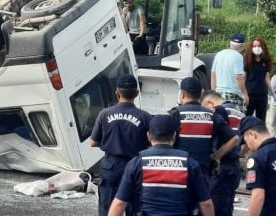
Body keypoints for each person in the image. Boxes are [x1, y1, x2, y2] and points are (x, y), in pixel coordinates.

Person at [107, 115, 214, 216]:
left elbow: (120, 203)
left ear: (148, 136)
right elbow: (206, 204)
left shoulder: (137, 163)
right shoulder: (190, 164)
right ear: (175, 136)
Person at [89, 74, 152, 216]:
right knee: (135, 208)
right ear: (136, 93)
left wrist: (108, 143)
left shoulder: (104, 114)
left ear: (117, 92)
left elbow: (93, 142)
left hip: (110, 167)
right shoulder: (145, 117)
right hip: (135, 165)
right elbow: (151, 143)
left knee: (107, 208)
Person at [170, 78, 237, 180]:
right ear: (200, 95)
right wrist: (216, 156)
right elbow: (234, 138)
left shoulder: (176, 114)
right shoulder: (212, 115)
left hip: (179, 170)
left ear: (182, 95)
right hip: (202, 172)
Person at [200, 90, 243, 216]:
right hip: (235, 168)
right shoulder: (240, 113)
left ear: (209, 103)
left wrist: (216, 156)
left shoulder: (217, 111)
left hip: (221, 167)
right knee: (227, 208)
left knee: (214, 207)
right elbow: (244, 145)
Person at [240, 116, 276, 216]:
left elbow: (258, 196)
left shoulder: (258, 158)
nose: (247, 146)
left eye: (245, 141)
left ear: (252, 134)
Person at [211, 33, 248, 113]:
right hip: (233, 95)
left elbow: (213, 74)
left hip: (219, 94)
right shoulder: (238, 56)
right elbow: (238, 77)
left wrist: (213, 92)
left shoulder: (219, 54)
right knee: (235, 122)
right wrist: (245, 94)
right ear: (242, 46)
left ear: (230, 43)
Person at [244, 37, 273, 121]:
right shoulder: (247, 61)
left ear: (263, 47)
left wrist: (272, 93)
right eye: (254, 46)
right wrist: (243, 93)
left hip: (262, 95)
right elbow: (243, 77)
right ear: (251, 47)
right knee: (247, 118)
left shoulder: (265, 62)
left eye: (259, 46)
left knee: (261, 119)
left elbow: (266, 78)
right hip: (250, 94)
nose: (257, 48)